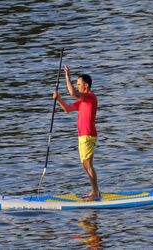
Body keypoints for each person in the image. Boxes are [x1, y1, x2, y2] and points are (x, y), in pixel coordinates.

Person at [53, 65, 100, 201]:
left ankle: (95, 193)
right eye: (76, 84)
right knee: (85, 164)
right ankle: (95, 190)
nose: (77, 86)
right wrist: (58, 98)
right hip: (82, 136)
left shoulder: (90, 96)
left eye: (79, 84)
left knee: (87, 164)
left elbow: (73, 93)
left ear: (86, 85)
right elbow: (68, 109)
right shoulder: (82, 101)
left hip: (88, 134)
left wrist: (67, 77)